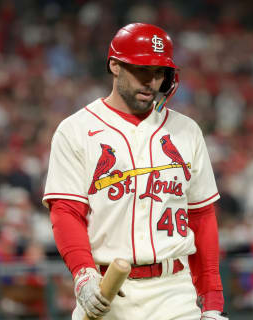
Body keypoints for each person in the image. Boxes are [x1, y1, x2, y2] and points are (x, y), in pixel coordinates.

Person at [43, 23, 228, 320]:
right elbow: (65, 211)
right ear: (115, 66)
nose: (151, 82)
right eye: (141, 71)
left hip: (174, 292)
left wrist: (213, 302)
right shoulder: (75, 130)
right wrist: (83, 275)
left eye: (158, 73)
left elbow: (202, 217)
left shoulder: (187, 131)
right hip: (108, 291)